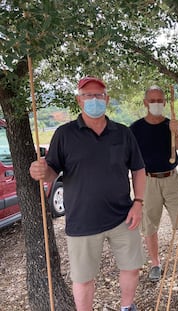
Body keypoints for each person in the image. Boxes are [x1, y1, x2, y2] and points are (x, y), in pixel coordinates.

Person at [29, 76, 146, 311]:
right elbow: (52, 172)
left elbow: (138, 169)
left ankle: (127, 307)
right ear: (79, 100)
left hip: (123, 216)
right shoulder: (64, 134)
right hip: (82, 220)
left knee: (131, 266)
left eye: (99, 95)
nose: (94, 100)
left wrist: (138, 202)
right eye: (88, 95)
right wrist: (41, 171)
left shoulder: (123, 133)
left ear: (107, 99)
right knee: (83, 278)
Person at [129, 85, 178, 283]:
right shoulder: (135, 128)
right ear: (145, 103)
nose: (156, 104)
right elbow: (128, 156)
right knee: (149, 225)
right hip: (147, 181)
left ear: (164, 102)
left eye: (159, 100)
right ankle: (155, 264)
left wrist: (176, 133)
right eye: (152, 101)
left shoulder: (171, 124)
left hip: (172, 180)